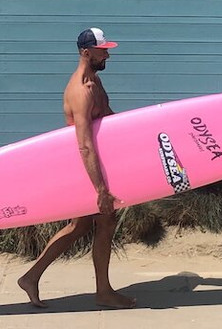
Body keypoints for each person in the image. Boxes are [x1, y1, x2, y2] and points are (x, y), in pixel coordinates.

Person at [17, 28, 136, 309]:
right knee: (103, 223)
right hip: (86, 169)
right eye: (103, 49)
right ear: (86, 52)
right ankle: (103, 292)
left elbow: (108, 121)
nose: (107, 54)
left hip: (99, 165)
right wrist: (101, 189)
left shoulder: (94, 82)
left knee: (80, 226)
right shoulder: (80, 91)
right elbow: (84, 144)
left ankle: (31, 277)